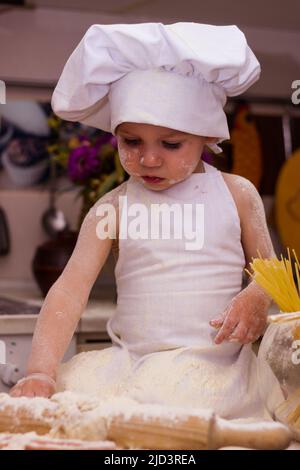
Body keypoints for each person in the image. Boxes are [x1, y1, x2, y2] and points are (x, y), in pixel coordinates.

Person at [10, 22, 275, 419]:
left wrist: (257, 296)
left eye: (170, 144)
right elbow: (69, 291)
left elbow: (272, 271)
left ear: (205, 135)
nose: (148, 159)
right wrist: (41, 372)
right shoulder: (111, 209)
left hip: (219, 374)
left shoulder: (236, 194)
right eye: (131, 141)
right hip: (132, 369)